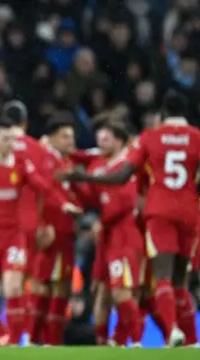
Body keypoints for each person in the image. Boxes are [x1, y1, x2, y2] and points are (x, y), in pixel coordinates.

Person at [61, 91, 200, 347]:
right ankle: (192, 341)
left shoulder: (149, 138)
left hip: (157, 214)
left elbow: (120, 177)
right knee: (179, 282)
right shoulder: (199, 138)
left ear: (162, 115)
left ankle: (170, 331)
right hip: (189, 213)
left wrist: (83, 178)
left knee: (159, 279)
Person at [0, 118, 81, 346]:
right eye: (5, 139)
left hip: (13, 234)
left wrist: (63, 204)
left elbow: (42, 185)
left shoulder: (20, 161)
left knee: (13, 286)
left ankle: (14, 344)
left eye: (13, 139)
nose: (10, 144)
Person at [0, 100, 57, 344]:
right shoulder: (37, 149)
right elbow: (46, 187)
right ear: (25, 123)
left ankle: (3, 338)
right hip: (29, 227)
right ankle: (25, 337)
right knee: (23, 285)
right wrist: (47, 222)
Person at [77, 121, 145, 346]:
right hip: (106, 236)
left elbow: (124, 203)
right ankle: (103, 343)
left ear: (119, 141)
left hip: (124, 235)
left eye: (105, 140)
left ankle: (134, 342)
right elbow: (90, 197)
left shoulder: (128, 165)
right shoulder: (98, 165)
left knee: (122, 293)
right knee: (101, 291)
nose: (100, 145)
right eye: (99, 140)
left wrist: (101, 221)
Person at [32, 115, 83, 346]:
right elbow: (39, 194)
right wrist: (42, 224)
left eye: (72, 136)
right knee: (42, 286)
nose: (70, 141)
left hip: (66, 235)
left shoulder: (66, 163)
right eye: (64, 136)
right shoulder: (42, 159)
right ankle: (33, 340)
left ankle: (52, 343)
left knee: (61, 289)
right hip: (48, 234)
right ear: (51, 138)